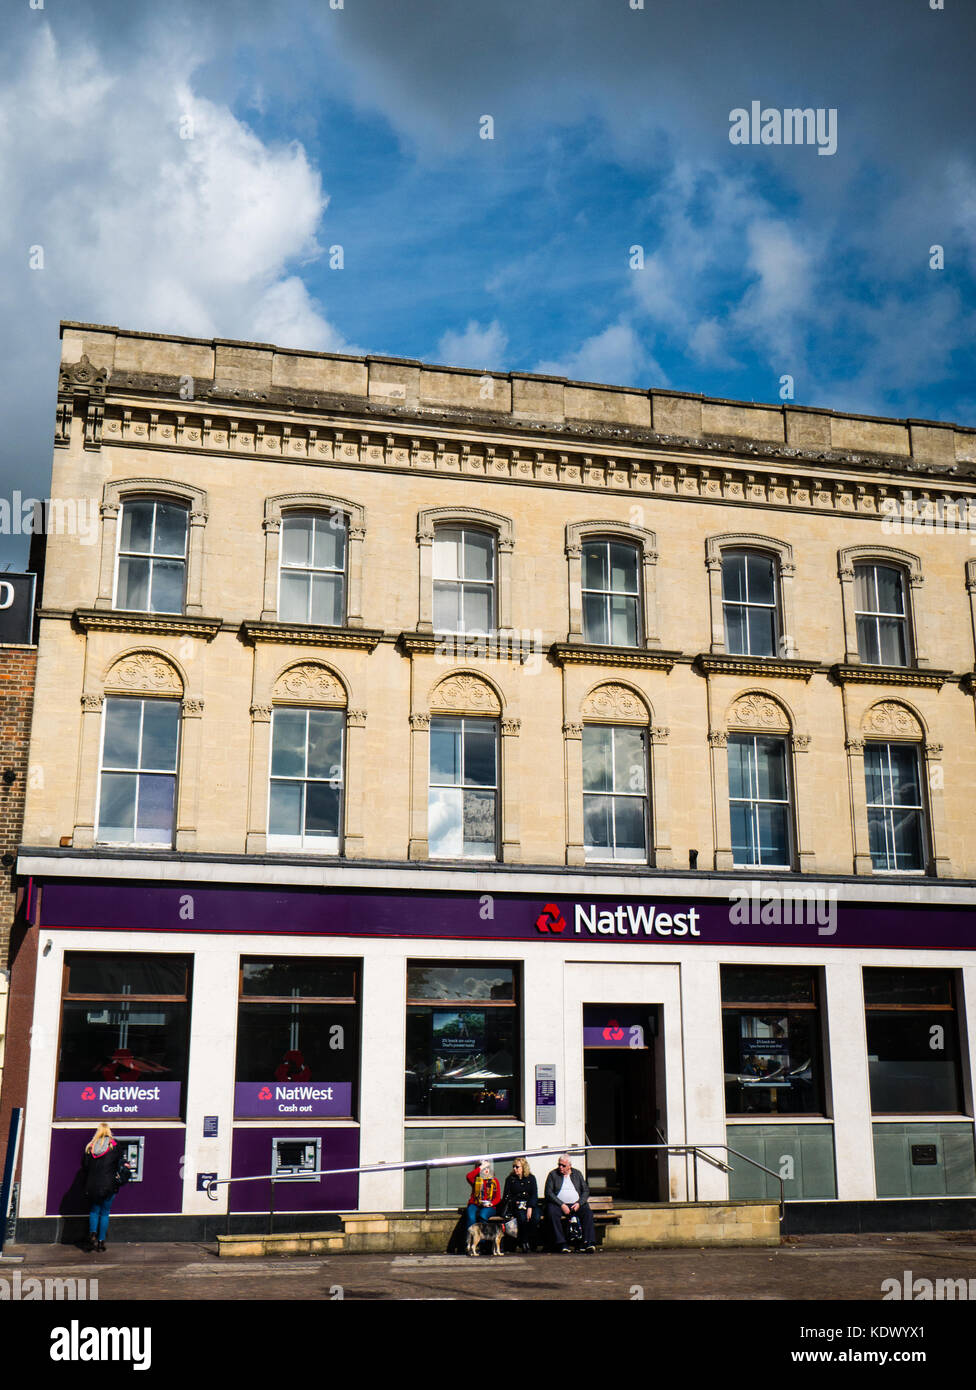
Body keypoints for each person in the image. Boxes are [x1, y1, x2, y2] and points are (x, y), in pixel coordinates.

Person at [81, 1124, 130, 1252]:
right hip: (109, 1185)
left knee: (94, 1211)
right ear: (109, 1131)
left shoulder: (90, 1147)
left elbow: (85, 1166)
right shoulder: (114, 1145)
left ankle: (92, 1233)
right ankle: (101, 1242)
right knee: (105, 1213)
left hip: (92, 1185)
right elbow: (121, 1161)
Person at [544, 1154, 596, 1252]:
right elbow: (549, 1193)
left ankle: (588, 1243)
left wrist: (579, 1203)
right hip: (559, 1205)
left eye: (563, 1165)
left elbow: (585, 1190)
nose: (560, 1167)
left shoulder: (577, 1174)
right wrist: (562, 1204)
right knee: (551, 1212)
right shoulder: (553, 1174)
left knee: (588, 1213)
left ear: (569, 1166)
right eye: (559, 1164)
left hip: (576, 1204)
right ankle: (562, 1243)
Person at [502, 1156, 539, 1252]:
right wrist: (516, 1201)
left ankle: (532, 1241)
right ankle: (524, 1241)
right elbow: (506, 1196)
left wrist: (530, 1207)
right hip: (516, 1204)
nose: (515, 1169)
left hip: (529, 1204)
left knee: (535, 1217)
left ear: (523, 1167)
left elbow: (534, 1194)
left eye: (517, 1167)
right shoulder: (510, 1179)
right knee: (522, 1218)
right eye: (514, 1166)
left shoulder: (531, 1178)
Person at [465, 1158, 501, 1227]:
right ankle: (471, 1236)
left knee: (483, 1215)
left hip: (489, 1206)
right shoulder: (476, 1180)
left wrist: (491, 1204)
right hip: (475, 1204)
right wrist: (482, 1166)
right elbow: (468, 1176)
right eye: (484, 1168)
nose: (486, 1170)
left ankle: (483, 1237)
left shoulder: (494, 1181)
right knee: (471, 1217)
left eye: (487, 1167)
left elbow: (498, 1198)